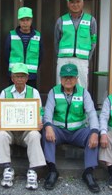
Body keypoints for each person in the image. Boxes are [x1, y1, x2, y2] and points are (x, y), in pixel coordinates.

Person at [42, 63, 100, 193]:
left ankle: (89, 172)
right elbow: (48, 113)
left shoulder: (84, 93)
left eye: (71, 77)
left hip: (78, 131)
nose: (68, 80)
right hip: (59, 130)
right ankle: (52, 170)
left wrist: (95, 131)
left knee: (94, 134)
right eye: (65, 77)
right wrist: (48, 126)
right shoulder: (54, 91)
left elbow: (92, 113)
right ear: (60, 78)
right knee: (46, 132)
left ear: (77, 78)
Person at [0, 63, 46, 190]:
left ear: (27, 78)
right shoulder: (4, 93)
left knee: (35, 134)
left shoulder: (34, 92)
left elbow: (40, 111)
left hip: (26, 133)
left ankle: (33, 171)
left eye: (22, 76)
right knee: (0, 134)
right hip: (10, 132)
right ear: (12, 78)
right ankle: (7, 169)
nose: (19, 79)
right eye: (16, 76)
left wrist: (40, 122)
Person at [54, 0, 97, 88]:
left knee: (81, 87)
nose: (75, 4)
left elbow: (93, 41)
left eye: (78, 1)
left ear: (82, 2)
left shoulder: (91, 20)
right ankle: (61, 104)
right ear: (68, 4)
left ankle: (80, 104)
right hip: (63, 59)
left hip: (81, 60)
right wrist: (61, 55)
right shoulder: (61, 20)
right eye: (72, 2)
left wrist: (87, 57)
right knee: (61, 86)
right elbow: (56, 41)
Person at [5, 7, 43, 89]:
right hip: (15, 74)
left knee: (30, 98)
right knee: (13, 98)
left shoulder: (38, 36)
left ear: (31, 20)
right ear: (19, 21)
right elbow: (6, 55)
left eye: (27, 19)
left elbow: (41, 55)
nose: (25, 22)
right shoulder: (11, 35)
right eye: (22, 20)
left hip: (31, 75)